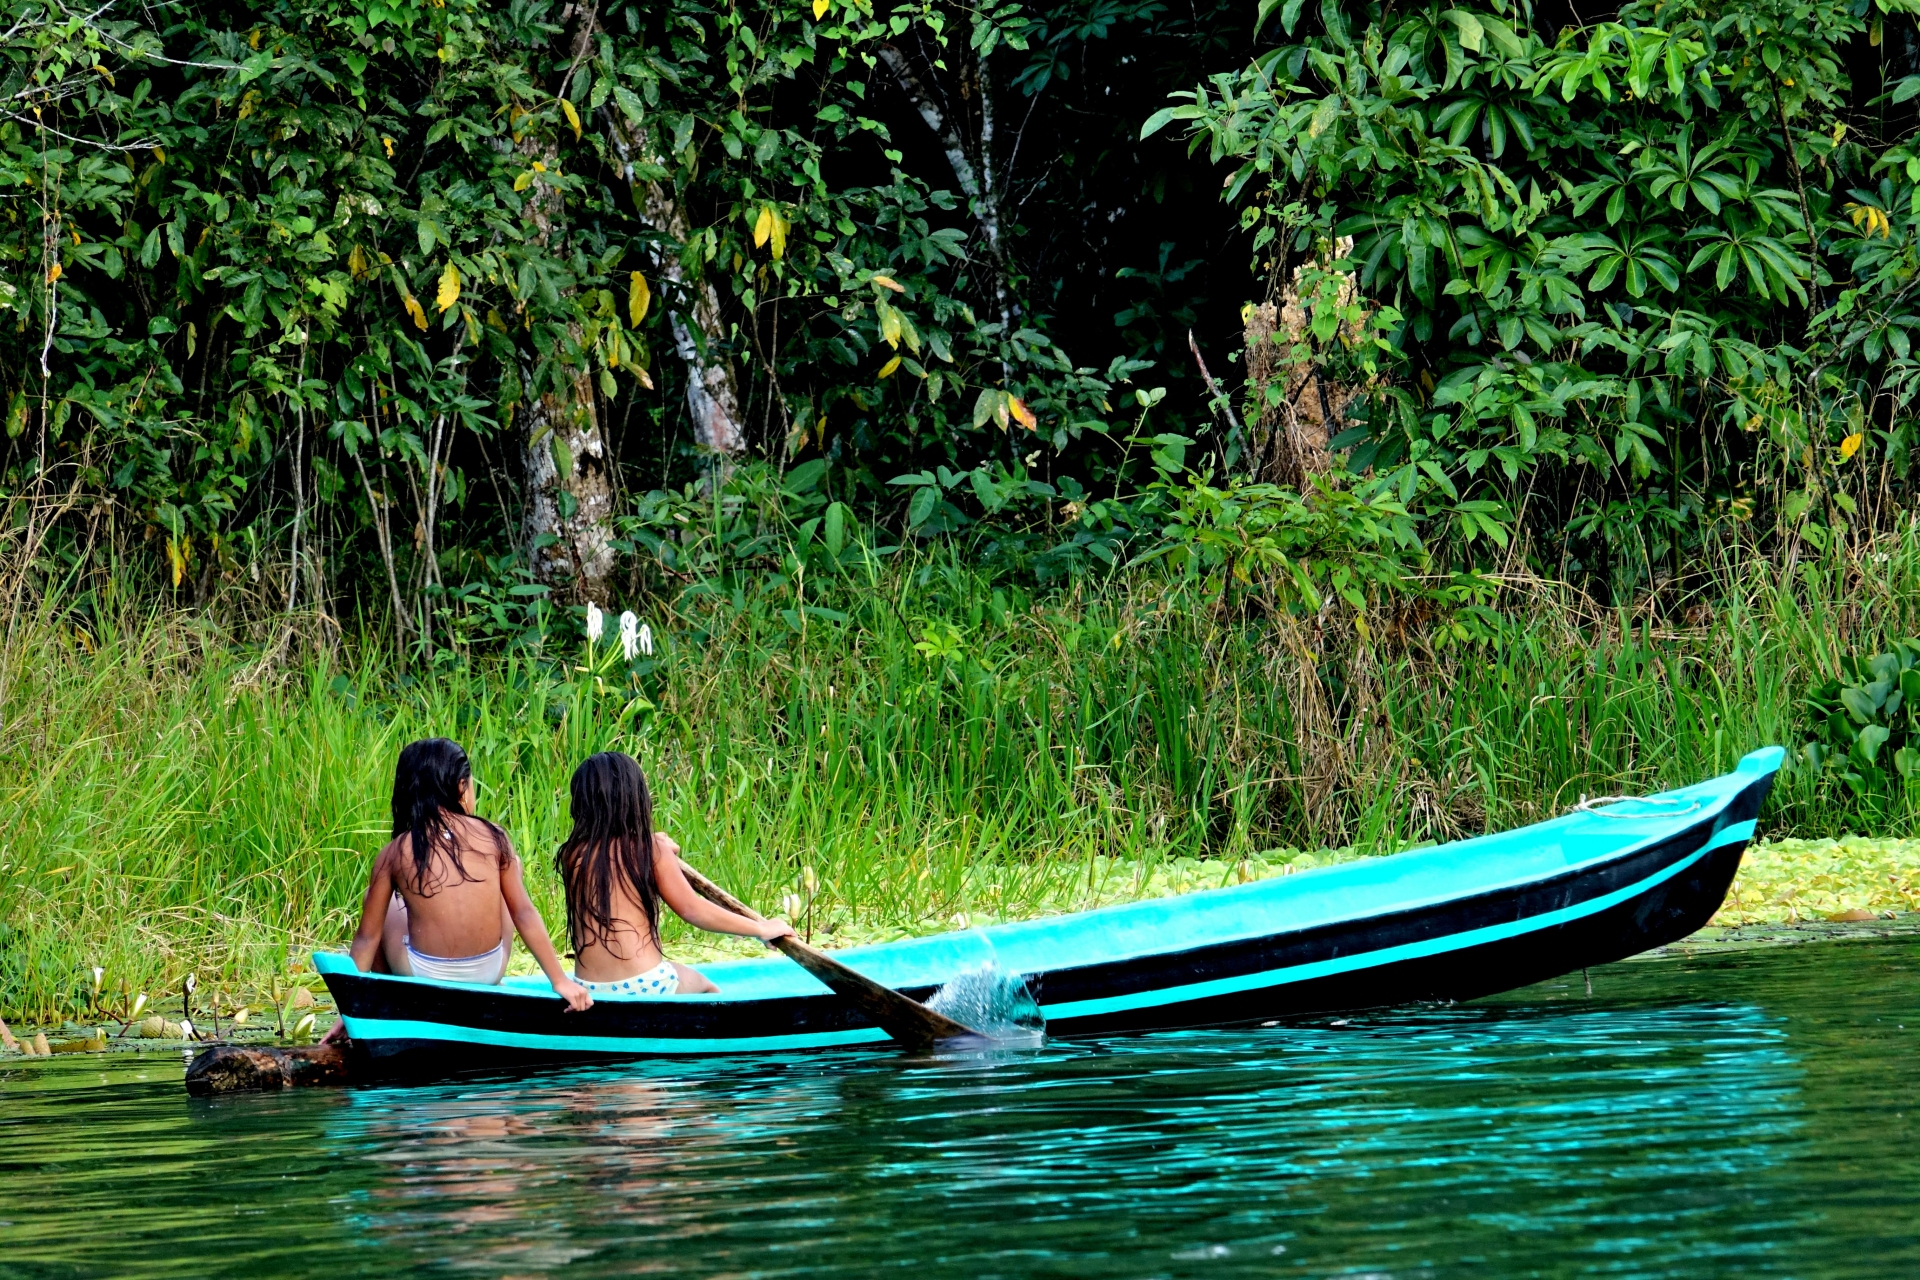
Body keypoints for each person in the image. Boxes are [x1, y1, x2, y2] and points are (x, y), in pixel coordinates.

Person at [338, 737, 590, 1008]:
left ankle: (390, 995)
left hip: (423, 973)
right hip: (488, 971)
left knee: (376, 903)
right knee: (508, 882)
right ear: (461, 786)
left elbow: (367, 937)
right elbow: (524, 913)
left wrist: (350, 1009)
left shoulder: (395, 852)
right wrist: (559, 980)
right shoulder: (495, 837)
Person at [556, 751, 792, 997]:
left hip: (589, 987)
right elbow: (693, 910)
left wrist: (657, 848)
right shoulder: (650, 850)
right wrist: (760, 929)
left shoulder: (572, 854)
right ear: (636, 800)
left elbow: (612, 857)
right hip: (645, 984)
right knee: (707, 988)